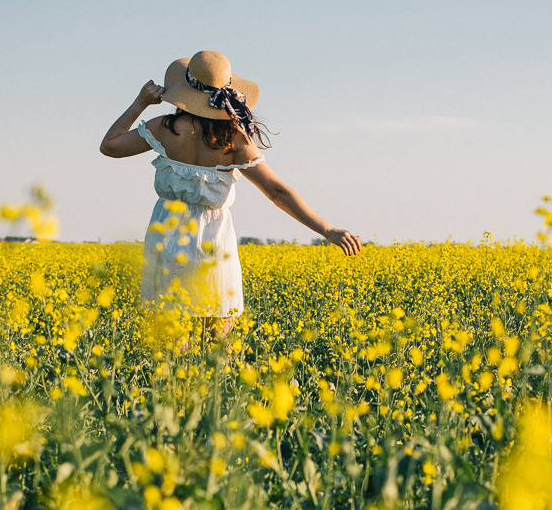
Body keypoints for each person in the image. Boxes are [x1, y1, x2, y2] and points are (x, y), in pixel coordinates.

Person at [100, 50, 361, 336]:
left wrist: (140, 103)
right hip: (214, 247)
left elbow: (110, 145)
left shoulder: (164, 128)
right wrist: (328, 230)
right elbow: (278, 191)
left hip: (167, 244)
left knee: (171, 357)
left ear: (185, 92)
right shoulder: (233, 139)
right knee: (217, 353)